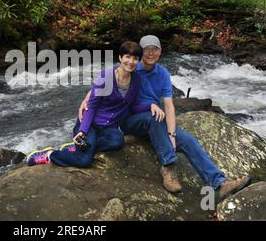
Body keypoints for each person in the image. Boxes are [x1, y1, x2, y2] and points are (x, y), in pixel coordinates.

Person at [78, 35, 251, 201]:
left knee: (188, 141)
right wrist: (86, 100)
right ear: (140, 53)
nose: (151, 53)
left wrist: (172, 134)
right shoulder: (132, 66)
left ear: (160, 52)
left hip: (156, 119)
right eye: (147, 50)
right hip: (132, 120)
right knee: (154, 117)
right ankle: (168, 167)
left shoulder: (162, 74)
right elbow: (106, 80)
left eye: (155, 49)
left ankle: (219, 184)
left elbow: (168, 105)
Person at [26, 41, 164, 168]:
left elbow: (132, 106)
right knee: (84, 161)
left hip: (109, 127)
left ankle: (79, 147)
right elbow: (90, 106)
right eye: (128, 57)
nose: (131, 61)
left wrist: (150, 105)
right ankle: (50, 155)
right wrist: (82, 131)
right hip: (90, 123)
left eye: (135, 58)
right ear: (120, 58)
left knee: (117, 142)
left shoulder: (137, 79)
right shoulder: (106, 77)